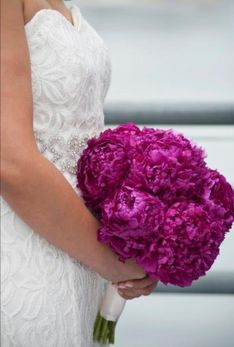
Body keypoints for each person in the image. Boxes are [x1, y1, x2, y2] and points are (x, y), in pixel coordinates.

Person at [1, 0, 158, 345]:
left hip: (78, 255)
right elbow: (9, 160)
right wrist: (113, 262)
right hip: (22, 261)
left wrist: (135, 237)